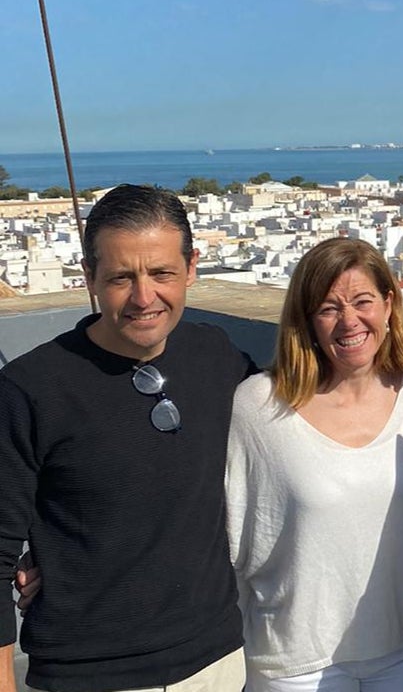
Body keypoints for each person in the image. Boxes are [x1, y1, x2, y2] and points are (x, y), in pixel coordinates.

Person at [0, 184, 254, 692]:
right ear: (90, 277)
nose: (144, 297)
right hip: (93, 675)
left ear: (191, 267)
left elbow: (303, 403)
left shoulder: (216, 355)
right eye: (121, 277)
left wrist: (398, 362)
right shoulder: (32, 390)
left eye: (161, 273)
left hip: (218, 660)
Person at [225, 237, 403, 692]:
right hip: (293, 662)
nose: (349, 321)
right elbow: (231, 540)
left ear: (389, 304)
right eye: (329, 308)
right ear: (308, 320)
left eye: (362, 302)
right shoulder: (259, 407)